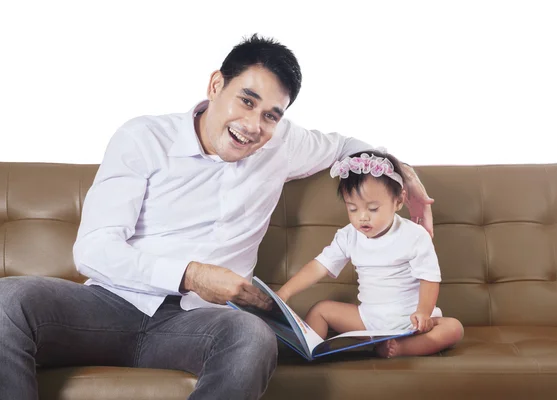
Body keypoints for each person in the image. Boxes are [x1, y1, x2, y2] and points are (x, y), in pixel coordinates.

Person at [0, 35, 435, 399]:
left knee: (251, 338)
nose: (252, 125)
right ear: (215, 84)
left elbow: (346, 146)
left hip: (200, 324)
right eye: (246, 101)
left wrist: (403, 171)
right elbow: (93, 250)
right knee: (8, 300)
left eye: (270, 115)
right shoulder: (143, 137)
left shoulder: (281, 144)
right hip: (111, 305)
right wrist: (190, 274)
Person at [276, 150, 463, 358]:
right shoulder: (348, 235)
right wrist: (285, 293)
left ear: (398, 201)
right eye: (352, 208)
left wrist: (423, 313)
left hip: (409, 320)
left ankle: (401, 349)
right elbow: (319, 266)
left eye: (373, 209)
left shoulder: (414, 235)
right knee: (321, 310)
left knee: (453, 328)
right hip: (368, 321)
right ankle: (311, 351)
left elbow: (429, 278)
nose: (362, 217)